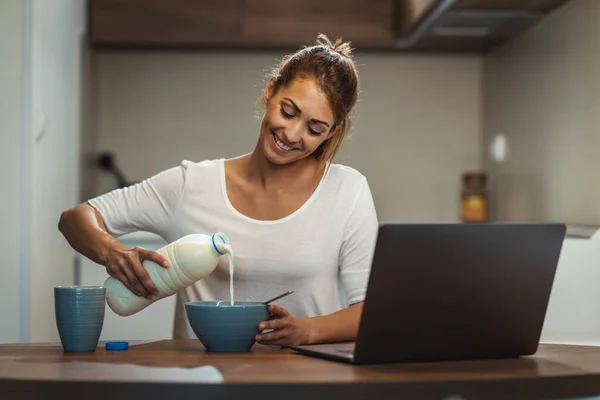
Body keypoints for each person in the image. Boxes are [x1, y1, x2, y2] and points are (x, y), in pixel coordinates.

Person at [58, 34, 378, 347]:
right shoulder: (191, 185)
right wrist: (113, 253)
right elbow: (76, 218)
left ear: (331, 132)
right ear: (270, 91)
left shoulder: (347, 191)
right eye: (288, 111)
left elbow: (370, 312)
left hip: (306, 383)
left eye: (314, 128)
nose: (292, 134)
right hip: (202, 382)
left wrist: (302, 331)